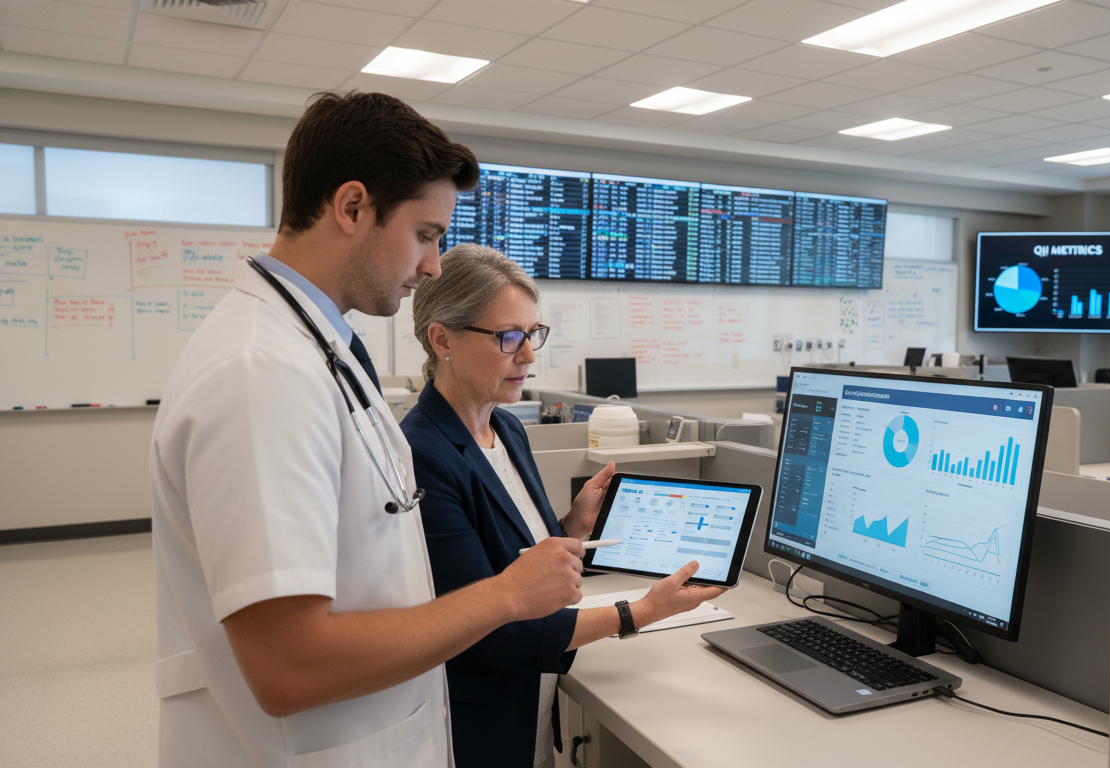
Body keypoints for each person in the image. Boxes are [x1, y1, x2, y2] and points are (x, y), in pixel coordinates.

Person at [149, 92, 588, 768]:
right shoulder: (261, 373)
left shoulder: (320, 352)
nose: (434, 264)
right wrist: (506, 595)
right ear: (352, 207)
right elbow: (288, 666)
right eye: (425, 233)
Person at [400, 244, 726, 768]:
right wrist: (638, 612)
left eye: (533, 334)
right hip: (479, 726)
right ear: (442, 339)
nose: (529, 355)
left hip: (536, 702)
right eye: (509, 337)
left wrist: (572, 525)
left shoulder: (505, 427)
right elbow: (492, 625)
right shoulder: (423, 454)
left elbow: (516, 563)